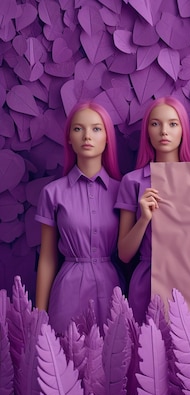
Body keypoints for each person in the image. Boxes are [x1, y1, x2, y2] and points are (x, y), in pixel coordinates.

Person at [35, 101, 122, 333]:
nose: (87, 136)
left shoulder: (123, 191)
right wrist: (40, 315)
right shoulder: (52, 193)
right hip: (67, 293)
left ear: (107, 138)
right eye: (78, 129)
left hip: (112, 289)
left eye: (96, 128)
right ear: (69, 140)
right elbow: (47, 258)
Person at [116, 96, 190, 323]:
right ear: (147, 132)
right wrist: (143, 219)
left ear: (183, 131)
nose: (164, 131)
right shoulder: (131, 181)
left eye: (173, 124)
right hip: (146, 282)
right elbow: (124, 254)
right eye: (155, 124)